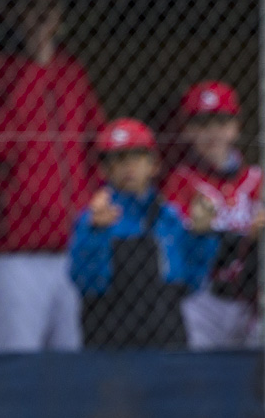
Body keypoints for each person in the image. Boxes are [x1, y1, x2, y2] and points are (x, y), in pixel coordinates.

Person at [0, 0, 106, 354]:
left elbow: (96, 147)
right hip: (10, 249)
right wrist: (34, 66)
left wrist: (91, 206)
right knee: (9, 363)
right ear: (9, 13)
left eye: (49, 7)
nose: (41, 16)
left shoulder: (71, 72)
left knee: (66, 364)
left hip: (71, 247)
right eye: (30, 7)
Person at [69, 118, 191, 350]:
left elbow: (188, 281)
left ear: (154, 164)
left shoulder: (168, 216)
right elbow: (87, 282)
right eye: (118, 159)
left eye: (137, 157)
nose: (128, 167)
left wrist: (202, 237)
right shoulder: (93, 217)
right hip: (110, 339)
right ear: (105, 169)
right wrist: (96, 233)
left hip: (165, 335)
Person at [161, 80, 265, 350]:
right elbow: (174, 246)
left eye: (220, 122)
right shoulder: (181, 181)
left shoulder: (257, 179)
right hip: (203, 298)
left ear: (236, 127)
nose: (212, 133)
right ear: (187, 130)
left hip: (251, 299)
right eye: (201, 124)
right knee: (200, 368)